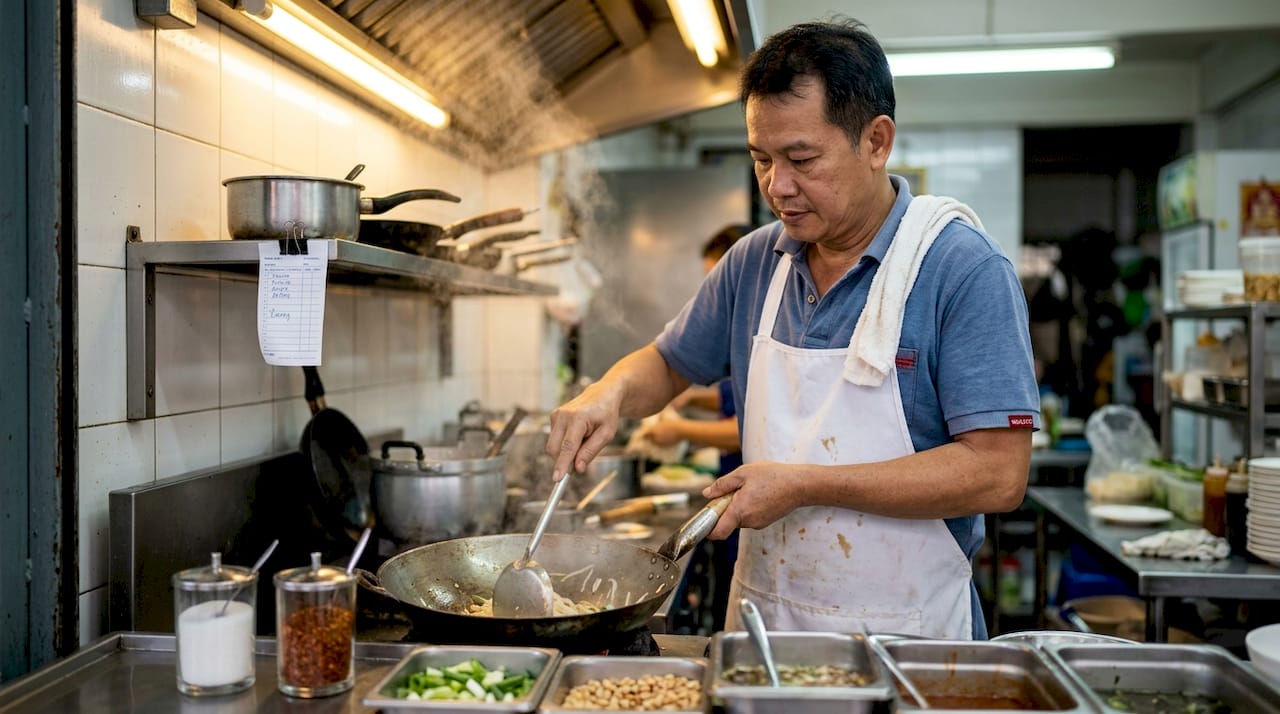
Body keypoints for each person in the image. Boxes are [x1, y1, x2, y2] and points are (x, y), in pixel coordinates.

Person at [546, 17, 1038, 640]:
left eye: (802, 158)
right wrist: (607, 394)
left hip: (907, 641)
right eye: (761, 159)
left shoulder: (961, 269)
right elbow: (669, 363)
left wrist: (805, 484)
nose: (778, 186)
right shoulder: (755, 261)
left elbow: (998, 474)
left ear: (876, 141)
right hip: (763, 628)